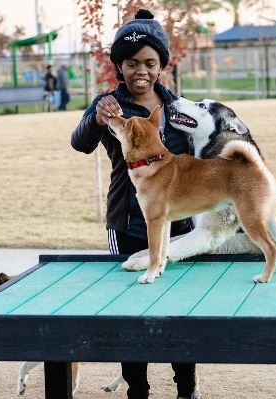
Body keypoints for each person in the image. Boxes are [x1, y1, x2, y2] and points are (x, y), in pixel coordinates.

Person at [69, 9, 199, 399]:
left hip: (178, 224)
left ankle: (186, 389)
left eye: (149, 62)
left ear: (161, 65)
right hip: (128, 223)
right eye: (131, 63)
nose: (140, 70)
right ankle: (137, 391)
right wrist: (96, 116)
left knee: (180, 311)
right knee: (129, 311)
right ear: (119, 67)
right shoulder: (108, 105)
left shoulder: (177, 109)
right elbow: (79, 142)